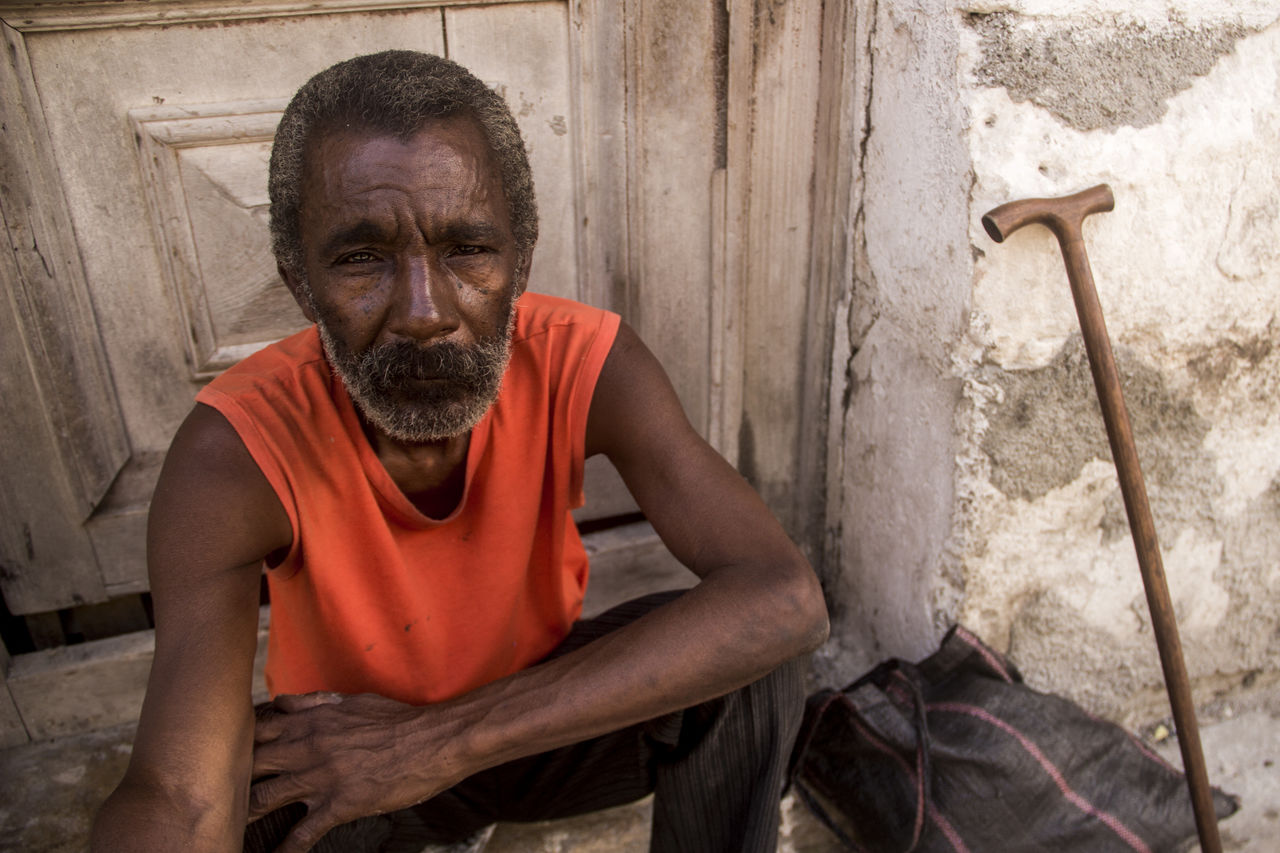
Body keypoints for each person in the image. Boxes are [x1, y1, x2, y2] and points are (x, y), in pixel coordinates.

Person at [91, 50, 828, 853]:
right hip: (351, 764)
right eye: (362, 258)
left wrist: (435, 744)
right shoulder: (234, 451)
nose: (423, 311)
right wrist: (387, 756)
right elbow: (176, 793)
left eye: (468, 250)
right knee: (248, 799)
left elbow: (784, 598)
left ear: (523, 259)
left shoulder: (588, 359)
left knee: (749, 661)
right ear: (300, 282)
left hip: (529, 722)